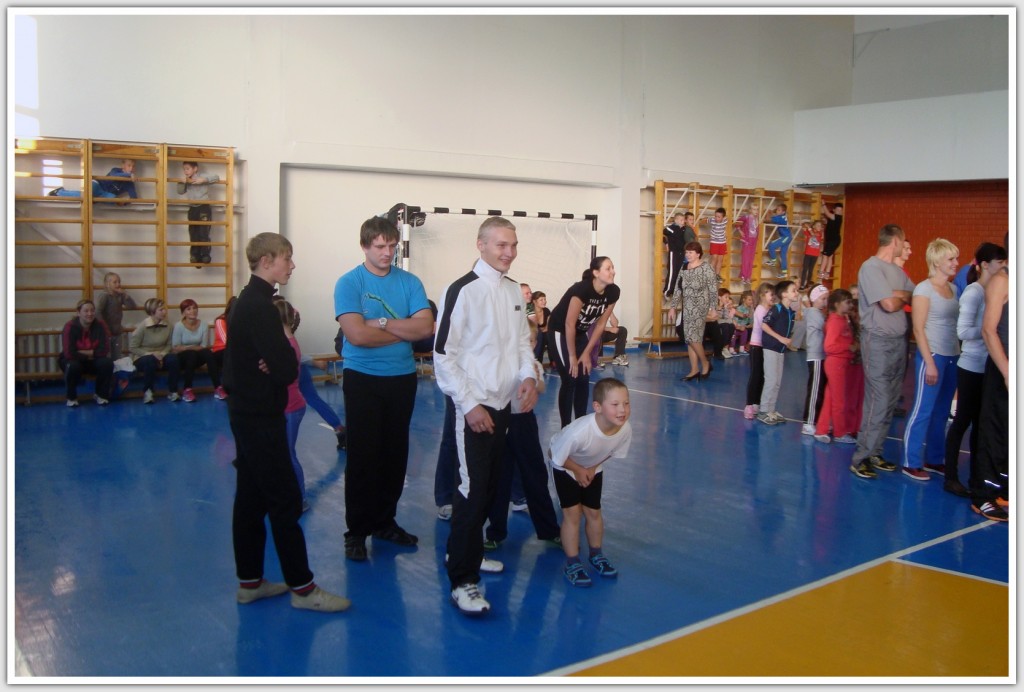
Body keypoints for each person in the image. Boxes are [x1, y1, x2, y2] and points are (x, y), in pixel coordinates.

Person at [224, 232, 349, 612]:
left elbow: (273, 363)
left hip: (246, 413)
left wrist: (275, 361)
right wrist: (276, 362)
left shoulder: (244, 303)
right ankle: (303, 589)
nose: (292, 266)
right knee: (285, 501)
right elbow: (286, 367)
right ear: (267, 261)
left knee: (250, 500)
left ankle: (250, 582)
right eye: (287, 258)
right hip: (261, 417)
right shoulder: (261, 307)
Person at [433, 216, 538, 616]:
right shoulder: (461, 290)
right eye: (501, 245)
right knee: (471, 490)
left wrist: (528, 376)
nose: (509, 252)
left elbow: (522, 344)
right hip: (473, 408)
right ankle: (462, 580)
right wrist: (469, 404)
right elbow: (443, 355)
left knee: (491, 487)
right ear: (481, 245)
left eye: (514, 245)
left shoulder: (513, 290)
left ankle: (468, 553)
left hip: (504, 406)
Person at [333, 216, 434, 561]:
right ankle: (356, 531)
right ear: (365, 246)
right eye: (379, 246)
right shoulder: (349, 283)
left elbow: (425, 328)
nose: (387, 253)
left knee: (394, 454)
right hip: (362, 377)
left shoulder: (410, 282)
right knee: (363, 456)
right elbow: (356, 335)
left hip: (401, 377)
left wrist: (380, 323)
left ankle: (384, 522)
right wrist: (403, 330)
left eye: (392, 246)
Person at [483, 321, 561, 552]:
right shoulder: (499, 361)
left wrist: (534, 380)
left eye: (531, 340)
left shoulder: (532, 365)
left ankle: (549, 530)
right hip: (499, 422)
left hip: (523, 422)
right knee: (499, 477)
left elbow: (541, 387)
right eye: (523, 340)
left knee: (535, 474)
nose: (527, 344)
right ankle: (495, 532)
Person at [549, 377, 632, 587]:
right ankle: (572, 563)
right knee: (573, 514)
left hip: (592, 466)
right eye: (615, 404)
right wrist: (578, 470)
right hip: (565, 466)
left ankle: (596, 555)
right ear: (597, 407)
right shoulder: (580, 432)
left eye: (626, 403)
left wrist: (592, 468)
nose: (622, 410)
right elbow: (554, 455)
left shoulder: (625, 429)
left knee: (594, 512)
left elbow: (610, 452)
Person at [849, 224, 915, 480]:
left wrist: (899, 294)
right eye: (903, 242)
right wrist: (900, 296)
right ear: (895, 241)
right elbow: (888, 304)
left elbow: (914, 295)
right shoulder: (871, 267)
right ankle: (861, 457)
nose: (905, 247)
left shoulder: (897, 271)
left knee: (890, 399)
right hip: (877, 340)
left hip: (899, 342)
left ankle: (875, 452)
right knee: (879, 398)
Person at [943, 242, 1007, 498]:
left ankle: (977, 476)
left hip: (988, 366)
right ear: (985, 265)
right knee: (962, 421)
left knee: (983, 425)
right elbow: (962, 331)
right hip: (972, 365)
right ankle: (950, 476)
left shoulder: (998, 289)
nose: (1003, 267)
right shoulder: (974, 292)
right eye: (1000, 262)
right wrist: (989, 330)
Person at [901, 239, 961, 481]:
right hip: (932, 355)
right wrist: (930, 362)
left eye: (956, 258)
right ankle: (911, 461)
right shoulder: (923, 290)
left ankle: (935, 459)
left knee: (942, 410)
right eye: (951, 259)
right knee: (923, 409)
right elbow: (918, 328)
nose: (956, 263)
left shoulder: (954, 289)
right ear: (937, 262)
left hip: (952, 354)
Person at [548, 256, 621, 427]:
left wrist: (587, 352)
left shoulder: (613, 292)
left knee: (583, 378)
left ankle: (580, 424)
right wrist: (572, 356)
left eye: (613, 268)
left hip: (580, 332)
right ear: (596, 273)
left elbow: (601, 324)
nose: (613, 271)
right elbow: (569, 324)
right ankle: (566, 428)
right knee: (570, 378)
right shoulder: (581, 290)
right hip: (560, 330)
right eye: (608, 268)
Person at [970, 242, 1009, 521]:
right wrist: (1007, 371)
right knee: (993, 430)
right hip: (1002, 365)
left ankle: (1003, 487)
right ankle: (982, 495)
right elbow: (988, 330)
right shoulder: (1001, 281)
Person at [273, 297, 311, 513]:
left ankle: (300, 498)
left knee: (288, 454)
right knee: (282, 454)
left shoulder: (287, 345)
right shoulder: (284, 341)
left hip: (291, 406)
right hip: (287, 406)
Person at [813, 289, 860, 444]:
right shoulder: (835, 321)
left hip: (841, 362)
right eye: (847, 302)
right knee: (839, 400)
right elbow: (829, 347)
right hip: (836, 364)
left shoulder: (841, 319)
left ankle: (821, 429)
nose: (850, 305)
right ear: (837, 304)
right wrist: (849, 347)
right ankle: (840, 432)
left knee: (830, 398)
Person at [667, 242, 717, 381]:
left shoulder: (706, 268)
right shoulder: (684, 267)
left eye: (691, 252)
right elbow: (678, 288)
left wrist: (713, 308)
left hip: (701, 306)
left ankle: (705, 363)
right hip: (687, 307)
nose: (688, 255)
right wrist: (673, 307)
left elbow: (713, 289)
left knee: (693, 337)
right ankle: (694, 369)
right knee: (689, 338)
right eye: (686, 252)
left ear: (698, 254)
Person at [756, 280, 799, 425]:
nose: (796, 293)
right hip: (771, 348)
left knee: (777, 382)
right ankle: (763, 411)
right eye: (793, 290)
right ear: (784, 294)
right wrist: (780, 338)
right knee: (771, 380)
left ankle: (771, 410)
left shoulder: (790, 311)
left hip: (780, 350)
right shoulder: (777, 309)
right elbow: (764, 325)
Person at [60, 299, 114, 407]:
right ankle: (71, 397)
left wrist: (85, 352)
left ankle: (101, 395)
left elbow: (104, 350)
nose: (90, 314)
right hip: (74, 360)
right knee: (73, 366)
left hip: (93, 360)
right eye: (86, 311)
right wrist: (91, 353)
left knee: (107, 363)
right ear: (78, 312)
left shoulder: (100, 325)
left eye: (92, 310)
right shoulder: (70, 326)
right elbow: (69, 353)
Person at [129, 298, 181, 404]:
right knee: (150, 361)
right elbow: (133, 347)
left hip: (161, 355)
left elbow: (169, 344)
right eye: (161, 310)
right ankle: (148, 391)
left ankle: (173, 391)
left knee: (174, 359)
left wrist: (162, 354)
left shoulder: (169, 325)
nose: (164, 312)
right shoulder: (143, 326)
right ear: (152, 312)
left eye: (164, 309)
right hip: (143, 357)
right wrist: (151, 354)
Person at [171, 299, 220, 403]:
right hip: (183, 357)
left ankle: (218, 387)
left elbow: (204, 346)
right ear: (183, 312)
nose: (192, 311)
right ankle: (187, 389)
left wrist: (188, 347)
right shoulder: (179, 326)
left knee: (208, 353)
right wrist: (191, 348)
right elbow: (176, 347)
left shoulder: (203, 325)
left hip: (197, 356)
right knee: (191, 354)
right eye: (188, 309)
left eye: (194, 308)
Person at [177, 161, 220, 265]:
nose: (185, 171)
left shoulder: (202, 176)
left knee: (203, 232)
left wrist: (204, 179)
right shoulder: (186, 179)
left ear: (195, 169)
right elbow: (180, 191)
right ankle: (195, 255)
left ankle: (205, 255)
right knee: (193, 232)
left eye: (187, 169)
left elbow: (216, 177)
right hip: (192, 208)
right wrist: (181, 182)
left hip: (203, 207)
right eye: (184, 169)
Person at [743, 282, 775, 419]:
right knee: (755, 375)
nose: (773, 297)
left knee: (762, 375)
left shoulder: (770, 309)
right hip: (756, 346)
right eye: (771, 294)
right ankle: (749, 404)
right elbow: (765, 327)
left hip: (765, 347)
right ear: (762, 295)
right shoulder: (760, 309)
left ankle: (757, 403)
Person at [801, 285, 829, 436]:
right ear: (814, 299)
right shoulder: (813, 312)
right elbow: (825, 328)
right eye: (823, 298)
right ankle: (808, 422)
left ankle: (817, 419)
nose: (826, 301)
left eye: (827, 298)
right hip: (816, 355)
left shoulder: (819, 312)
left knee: (821, 389)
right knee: (815, 390)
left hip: (822, 355)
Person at [94, 272, 137, 360]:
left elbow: (132, 306)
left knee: (117, 356)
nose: (118, 284)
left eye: (119, 282)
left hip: (117, 331)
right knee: (107, 356)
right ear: (107, 284)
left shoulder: (119, 295)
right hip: (106, 332)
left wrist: (126, 296)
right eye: (115, 282)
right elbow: (98, 312)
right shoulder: (104, 296)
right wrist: (104, 327)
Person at [49, 158, 138, 200]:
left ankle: (96, 199)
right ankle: (59, 192)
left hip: (104, 194)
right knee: (85, 196)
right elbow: (115, 176)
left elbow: (133, 197)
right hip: (97, 185)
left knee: (115, 199)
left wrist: (124, 203)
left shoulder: (130, 183)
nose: (131, 168)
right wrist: (129, 175)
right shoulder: (115, 170)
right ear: (123, 165)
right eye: (129, 165)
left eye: (133, 166)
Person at [662, 212, 694, 298]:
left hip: (681, 253)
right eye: (681, 220)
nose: (683, 222)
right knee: (672, 272)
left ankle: (677, 290)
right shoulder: (671, 228)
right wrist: (666, 243)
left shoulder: (684, 229)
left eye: (683, 220)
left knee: (680, 272)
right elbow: (664, 232)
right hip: (674, 253)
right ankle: (667, 291)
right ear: (676, 220)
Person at [210, 297, 235, 401]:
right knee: (230, 356)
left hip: (233, 350)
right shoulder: (220, 320)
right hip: (220, 350)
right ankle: (224, 388)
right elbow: (225, 341)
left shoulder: (240, 320)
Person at [764, 204, 793, 278]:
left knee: (771, 245)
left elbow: (767, 220)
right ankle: (784, 272)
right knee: (783, 255)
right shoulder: (782, 216)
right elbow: (774, 216)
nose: (777, 211)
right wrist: (773, 212)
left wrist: (767, 212)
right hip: (787, 237)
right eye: (777, 209)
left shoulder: (780, 218)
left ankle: (773, 261)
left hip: (786, 237)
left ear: (783, 212)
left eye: (779, 210)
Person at [735, 205, 760, 286]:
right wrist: (740, 231)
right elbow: (737, 222)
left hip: (753, 242)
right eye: (754, 209)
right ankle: (743, 276)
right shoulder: (746, 217)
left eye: (757, 209)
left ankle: (748, 277)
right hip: (747, 241)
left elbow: (756, 230)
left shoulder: (757, 219)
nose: (756, 211)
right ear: (750, 210)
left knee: (750, 260)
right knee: (745, 259)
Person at [704, 207, 729, 282]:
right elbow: (705, 220)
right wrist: (703, 219)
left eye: (719, 217)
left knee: (720, 260)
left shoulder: (725, 220)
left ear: (723, 217)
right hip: (714, 242)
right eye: (715, 216)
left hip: (722, 242)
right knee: (714, 258)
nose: (716, 218)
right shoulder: (712, 220)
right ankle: (710, 275)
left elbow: (729, 217)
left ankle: (717, 275)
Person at [819, 201, 843, 280]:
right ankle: (827, 273)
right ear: (834, 210)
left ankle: (821, 272)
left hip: (833, 240)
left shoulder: (838, 217)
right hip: (833, 240)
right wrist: (824, 220)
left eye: (841, 210)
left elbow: (827, 213)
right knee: (830, 256)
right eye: (838, 210)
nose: (839, 212)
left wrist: (823, 204)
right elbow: (828, 220)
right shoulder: (833, 218)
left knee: (825, 256)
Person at [799, 220, 824, 291]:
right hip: (808, 253)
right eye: (818, 225)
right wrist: (805, 224)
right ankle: (802, 285)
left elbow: (813, 235)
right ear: (814, 226)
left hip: (815, 255)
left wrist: (809, 228)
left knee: (810, 270)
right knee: (805, 269)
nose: (819, 227)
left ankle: (807, 284)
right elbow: (803, 226)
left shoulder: (820, 233)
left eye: (820, 226)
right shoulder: (808, 232)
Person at [713, 289, 736, 360]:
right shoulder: (715, 306)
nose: (727, 299)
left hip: (723, 324)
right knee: (725, 326)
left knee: (731, 326)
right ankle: (721, 348)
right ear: (719, 297)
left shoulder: (725, 306)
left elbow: (726, 318)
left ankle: (725, 347)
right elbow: (717, 318)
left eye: (728, 297)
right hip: (715, 324)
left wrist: (725, 308)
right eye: (726, 297)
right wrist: (720, 308)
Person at [730, 289, 753, 355]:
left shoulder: (750, 309)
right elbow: (735, 320)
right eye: (749, 300)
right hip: (737, 327)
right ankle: (731, 348)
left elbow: (750, 320)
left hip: (744, 327)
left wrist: (749, 325)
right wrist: (740, 326)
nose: (751, 301)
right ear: (744, 300)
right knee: (735, 333)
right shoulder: (739, 309)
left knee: (748, 330)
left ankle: (742, 348)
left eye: (752, 300)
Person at [532, 291, 551, 363]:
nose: (544, 302)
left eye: (545, 299)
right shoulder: (530, 312)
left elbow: (548, 327)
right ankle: (536, 360)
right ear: (534, 301)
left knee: (549, 335)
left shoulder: (546, 311)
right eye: (541, 300)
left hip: (544, 334)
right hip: (532, 336)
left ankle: (553, 362)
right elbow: (531, 328)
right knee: (540, 334)